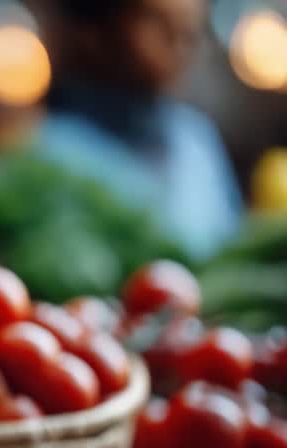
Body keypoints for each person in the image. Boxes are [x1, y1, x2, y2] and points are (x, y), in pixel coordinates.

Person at [36, 0, 241, 260]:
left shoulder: (198, 140)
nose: (178, 41)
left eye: (190, 30)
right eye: (157, 23)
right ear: (95, 33)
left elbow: (231, 246)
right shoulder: (52, 151)